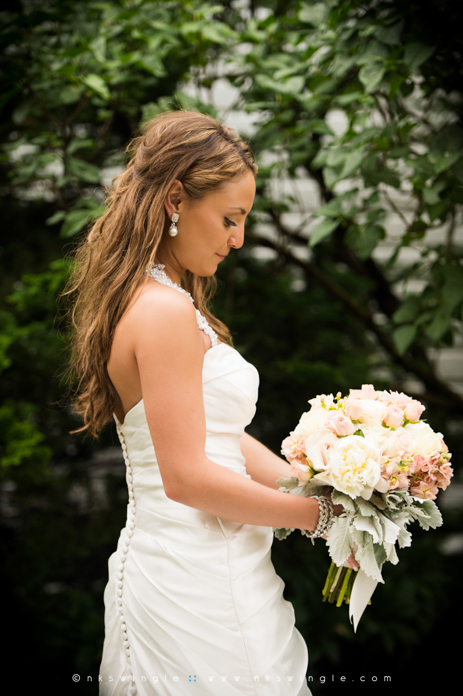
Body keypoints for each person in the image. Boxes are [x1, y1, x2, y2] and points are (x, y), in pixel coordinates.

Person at [64, 110, 351, 695]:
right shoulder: (163, 311)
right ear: (175, 198)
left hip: (214, 563)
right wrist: (320, 519)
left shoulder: (159, 299)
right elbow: (188, 477)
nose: (238, 239)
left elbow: (217, 436)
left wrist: (323, 487)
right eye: (229, 219)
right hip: (191, 579)